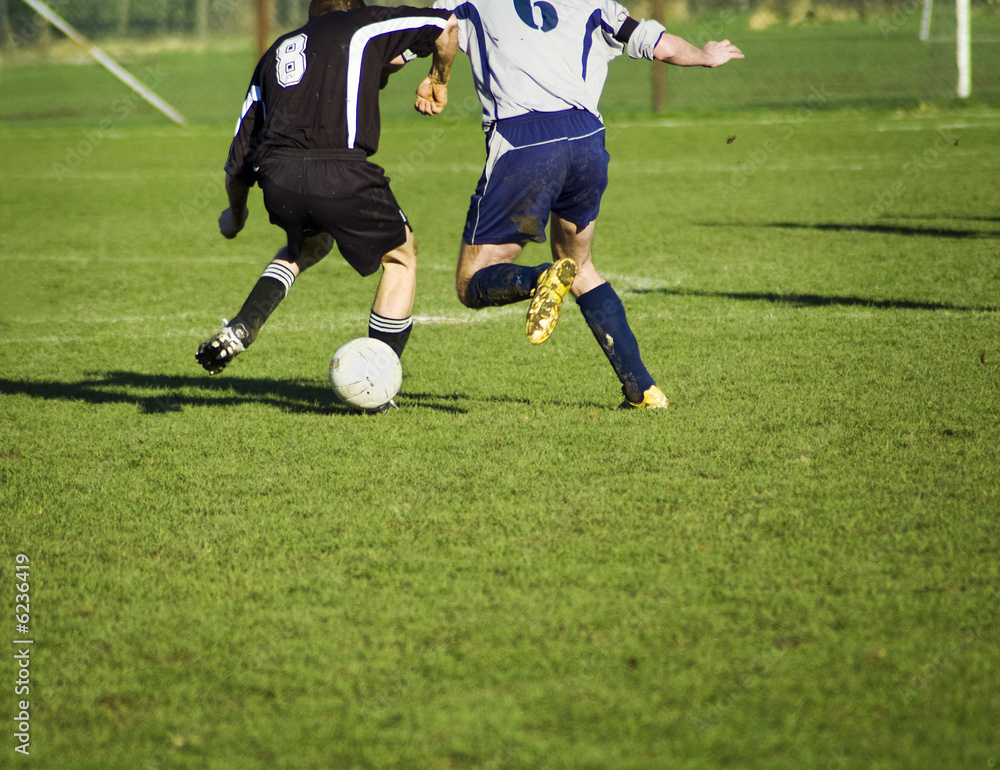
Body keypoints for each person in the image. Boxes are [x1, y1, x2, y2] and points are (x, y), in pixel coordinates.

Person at [414, 0, 743, 408]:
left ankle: (539, 278)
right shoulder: (593, 1)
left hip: (525, 139)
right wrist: (707, 57)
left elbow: (440, 31)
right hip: (587, 140)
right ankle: (642, 389)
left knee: (471, 281)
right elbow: (660, 45)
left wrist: (436, 76)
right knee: (580, 266)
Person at [197, 0, 457, 388]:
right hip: (341, 174)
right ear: (355, 5)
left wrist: (235, 216)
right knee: (401, 257)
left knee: (306, 247)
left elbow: (240, 156)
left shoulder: (277, 52)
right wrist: (438, 78)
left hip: (278, 178)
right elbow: (446, 26)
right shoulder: (363, 23)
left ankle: (240, 328)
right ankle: (374, 381)